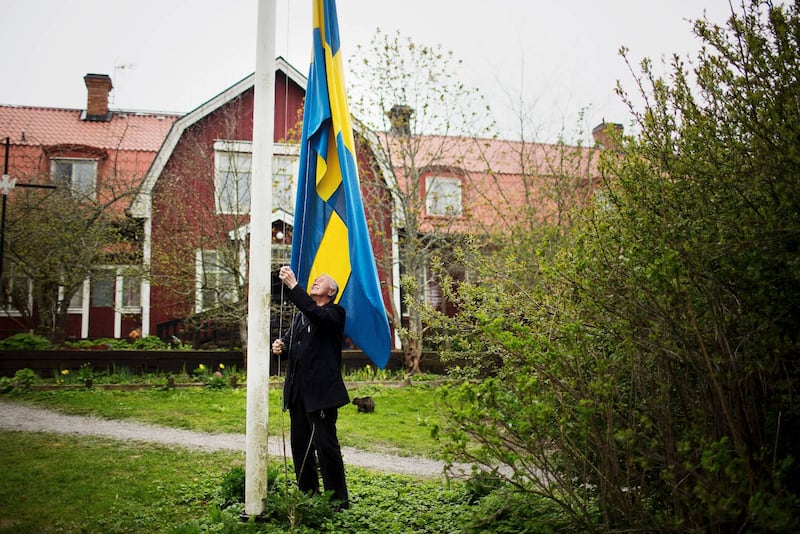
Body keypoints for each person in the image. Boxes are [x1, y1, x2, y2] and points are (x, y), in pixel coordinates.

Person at [271, 265, 350, 509]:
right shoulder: (300, 317)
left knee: (326, 448)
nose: (315, 280)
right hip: (298, 394)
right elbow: (292, 344)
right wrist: (280, 347)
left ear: (331, 292)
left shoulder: (335, 313)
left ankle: (337, 501)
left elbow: (316, 315)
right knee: (300, 446)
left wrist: (295, 287)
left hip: (322, 395)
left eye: (321, 280)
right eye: (314, 279)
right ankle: (308, 495)